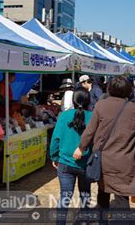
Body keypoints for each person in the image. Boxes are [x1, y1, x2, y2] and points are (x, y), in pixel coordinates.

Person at [73, 76, 135, 209]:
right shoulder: (134, 108)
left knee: (103, 190)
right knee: (123, 194)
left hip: (104, 158)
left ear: (109, 89)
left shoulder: (101, 105)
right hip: (126, 158)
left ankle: (103, 220)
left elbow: (90, 130)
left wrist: (81, 148)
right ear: (128, 90)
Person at [50, 89, 92, 221]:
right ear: (88, 101)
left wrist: (54, 156)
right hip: (85, 163)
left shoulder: (64, 116)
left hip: (65, 163)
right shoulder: (92, 116)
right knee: (85, 194)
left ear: (73, 100)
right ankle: (84, 219)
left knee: (65, 196)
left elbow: (55, 138)